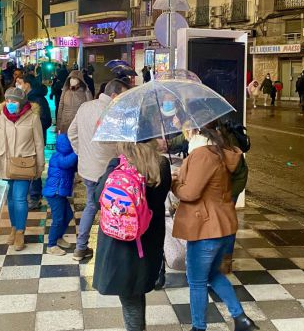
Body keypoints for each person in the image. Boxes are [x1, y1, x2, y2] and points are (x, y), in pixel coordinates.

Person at [171, 123, 258, 331]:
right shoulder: (217, 151)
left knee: (197, 281)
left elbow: (190, 193)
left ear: (196, 132)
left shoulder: (203, 154)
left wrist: (174, 184)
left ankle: (198, 327)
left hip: (206, 228)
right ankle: (241, 319)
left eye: (187, 130)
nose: (185, 134)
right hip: (222, 225)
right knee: (212, 275)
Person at [92, 140, 172, 331]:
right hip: (148, 243)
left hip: (120, 244)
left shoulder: (117, 165)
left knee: (129, 298)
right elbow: (159, 198)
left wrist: (114, 167)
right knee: (135, 291)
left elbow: (97, 199)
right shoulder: (161, 165)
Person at [68, 79, 129, 260]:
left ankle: (80, 248)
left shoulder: (85, 107)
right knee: (113, 209)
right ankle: (109, 252)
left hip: (87, 169)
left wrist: (82, 152)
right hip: (110, 172)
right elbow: (121, 145)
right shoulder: (115, 113)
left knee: (91, 206)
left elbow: (72, 133)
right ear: (114, 95)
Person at [0, 88, 45, 251]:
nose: (10, 104)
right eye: (8, 101)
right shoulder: (0, 117)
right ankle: (13, 227)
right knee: (10, 199)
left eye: (14, 101)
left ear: (22, 102)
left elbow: (39, 143)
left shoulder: (33, 118)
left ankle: (20, 232)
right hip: (3, 164)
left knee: (19, 198)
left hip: (23, 164)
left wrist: (40, 166)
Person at [17, 73, 53, 209]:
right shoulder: (25, 98)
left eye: (20, 82)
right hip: (25, 140)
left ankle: (35, 195)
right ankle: (29, 195)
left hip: (35, 139)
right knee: (26, 166)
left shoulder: (37, 99)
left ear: (27, 84)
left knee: (35, 167)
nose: (18, 85)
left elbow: (46, 120)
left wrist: (33, 128)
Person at [42, 133, 77, 255]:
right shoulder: (58, 157)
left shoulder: (66, 156)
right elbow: (66, 163)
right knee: (58, 219)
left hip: (60, 193)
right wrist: (78, 151)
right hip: (54, 193)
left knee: (68, 215)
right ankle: (51, 245)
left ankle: (59, 238)